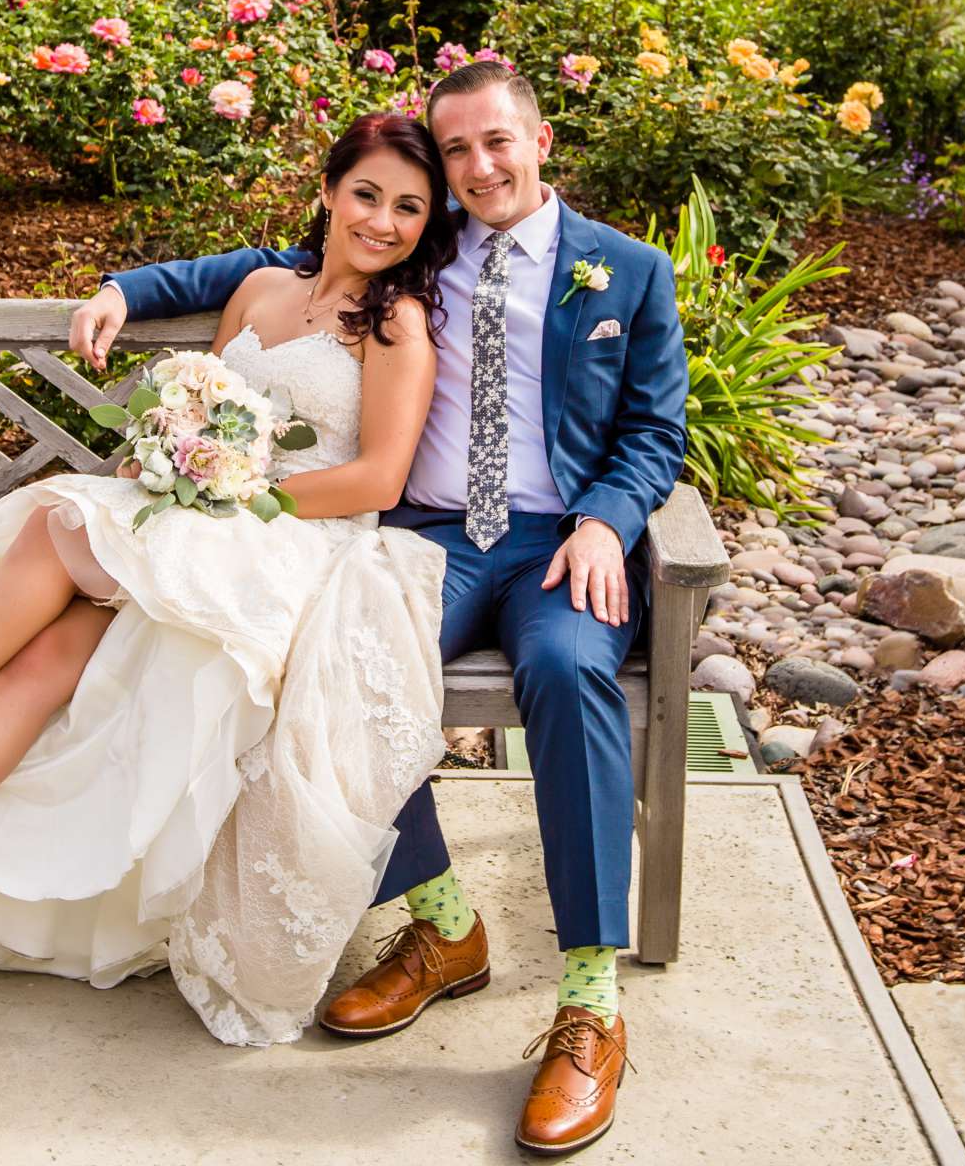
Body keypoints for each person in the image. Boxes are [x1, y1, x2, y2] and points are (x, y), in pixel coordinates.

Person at [71, 61, 686, 1154]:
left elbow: (653, 430)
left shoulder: (626, 272)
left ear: (540, 140)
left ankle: (590, 1001)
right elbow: (269, 266)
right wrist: (134, 284)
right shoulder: (428, 250)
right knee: (325, 655)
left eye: (496, 142)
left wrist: (608, 518)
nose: (478, 167)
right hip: (430, 536)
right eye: (455, 153)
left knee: (569, 672)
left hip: (558, 545)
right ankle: (446, 926)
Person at [0, 111, 460, 1047]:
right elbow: (207, 405)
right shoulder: (257, 288)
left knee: (55, 525)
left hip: (293, 541)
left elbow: (378, 477)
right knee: (45, 658)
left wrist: (247, 496)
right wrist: (177, 450)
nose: (383, 221)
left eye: (409, 208)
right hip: (203, 519)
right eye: (367, 194)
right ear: (327, 192)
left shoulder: (397, 323)